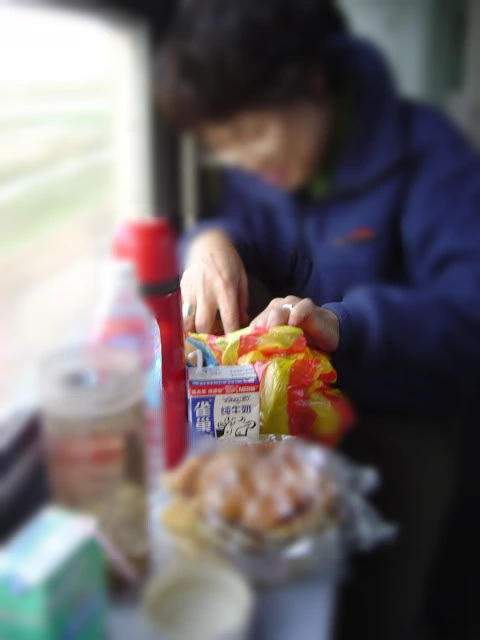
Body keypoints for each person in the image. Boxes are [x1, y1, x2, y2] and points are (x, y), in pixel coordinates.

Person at [156, 1, 480, 638]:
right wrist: (209, 242)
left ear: (312, 80)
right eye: (224, 148)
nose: (245, 161)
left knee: (379, 606)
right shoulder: (269, 159)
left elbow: (469, 306)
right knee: (221, 542)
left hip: (403, 409)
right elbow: (243, 222)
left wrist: (346, 325)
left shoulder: (429, 155)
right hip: (296, 393)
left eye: (252, 133)